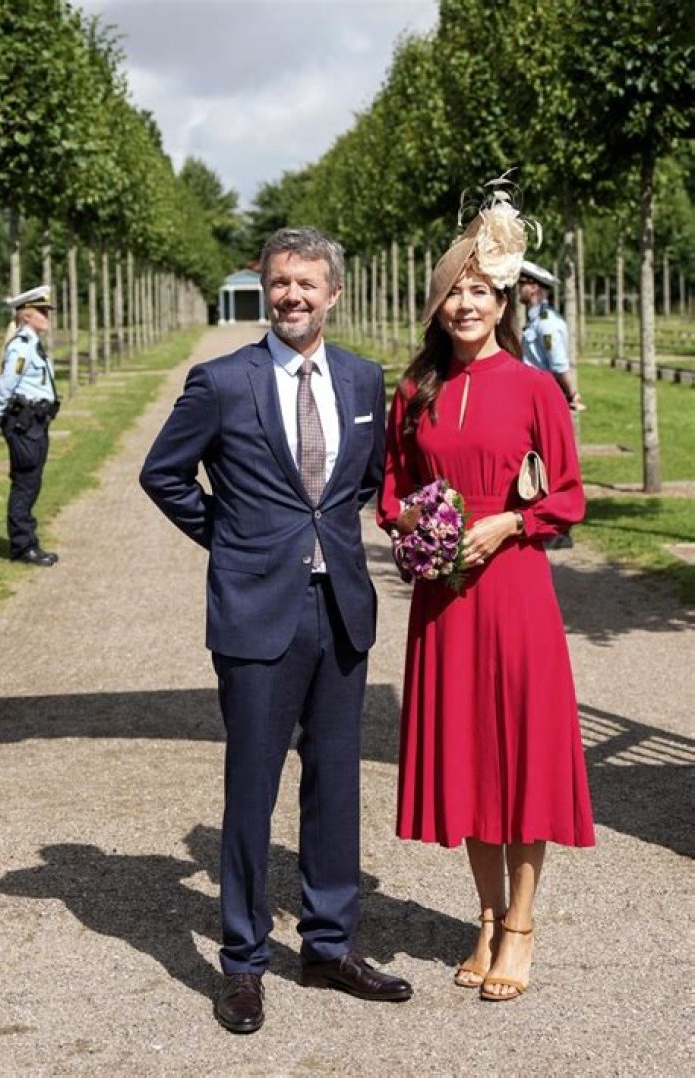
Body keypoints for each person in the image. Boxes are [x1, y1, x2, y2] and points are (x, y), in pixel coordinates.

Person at [140, 227, 412, 1034]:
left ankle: (329, 947)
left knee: (336, 784)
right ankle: (243, 961)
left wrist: (319, 543)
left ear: (334, 294)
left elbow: (362, 480)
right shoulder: (223, 381)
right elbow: (164, 474)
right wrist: (233, 539)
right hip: (256, 612)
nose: (293, 294)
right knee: (251, 791)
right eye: (280, 282)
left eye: (308, 283)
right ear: (265, 288)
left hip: (341, 611)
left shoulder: (364, 378)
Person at [377, 182, 595, 1003]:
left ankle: (522, 926)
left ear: (502, 297)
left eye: (478, 290)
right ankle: (485, 912)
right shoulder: (416, 390)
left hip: (515, 594)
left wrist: (508, 523)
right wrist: (413, 526)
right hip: (445, 601)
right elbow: (393, 489)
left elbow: (567, 494)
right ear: (436, 305)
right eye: (452, 292)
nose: (464, 304)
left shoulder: (536, 387)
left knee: (523, 756)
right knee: (468, 758)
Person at [0, 286, 60, 567]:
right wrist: (0, 418)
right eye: (42, 312)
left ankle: (26, 541)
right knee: (25, 483)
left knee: (31, 481)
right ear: (27, 315)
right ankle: (23, 546)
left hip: (35, 422)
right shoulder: (22, 346)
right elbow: (5, 386)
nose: (47, 316)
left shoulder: (32, 343)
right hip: (24, 424)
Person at [519, 259, 586, 412]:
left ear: (533, 288)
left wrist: (572, 393)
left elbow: (558, 364)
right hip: (534, 396)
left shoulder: (547, 323)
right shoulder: (537, 320)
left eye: (522, 284)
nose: (519, 289)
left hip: (545, 399)